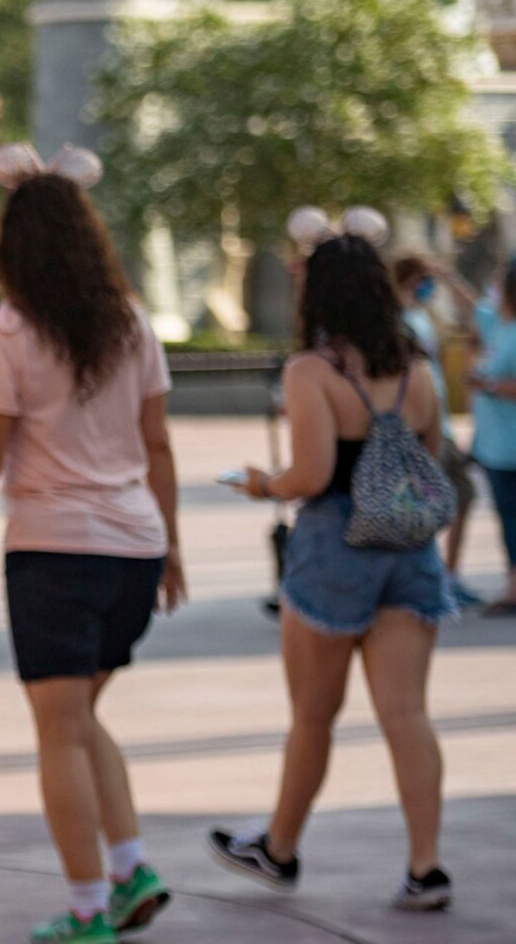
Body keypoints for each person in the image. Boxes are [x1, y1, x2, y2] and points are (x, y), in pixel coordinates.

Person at [0, 144, 183, 944]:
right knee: (81, 718)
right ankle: (131, 869)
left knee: (59, 731)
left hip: (55, 551)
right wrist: (173, 549)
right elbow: (157, 446)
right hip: (134, 546)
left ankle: (90, 908)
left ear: (11, 243)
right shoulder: (132, 323)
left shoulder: (11, 331)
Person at [214, 207, 455, 911]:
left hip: (332, 553)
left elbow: (312, 475)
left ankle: (279, 849)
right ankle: (426, 867)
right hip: (407, 550)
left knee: (314, 716)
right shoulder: (417, 369)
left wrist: (261, 484)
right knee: (406, 715)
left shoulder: (311, 373)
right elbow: (430, 459)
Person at [391, 254, 482, 607]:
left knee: (461, 495)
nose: (430, 285)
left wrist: (449, 276)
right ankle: (426, 573)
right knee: (426, 502)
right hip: (417, 427)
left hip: (438, 423)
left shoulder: (422, 314)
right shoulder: (394, 319)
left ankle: (447, 573)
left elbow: (478, 315)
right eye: (424, 278)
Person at [465, 258, 516, 616]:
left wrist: (492, 385)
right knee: (508, 518)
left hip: (510, 444)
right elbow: (471, 307)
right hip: (496, 445)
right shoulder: (499, 325)